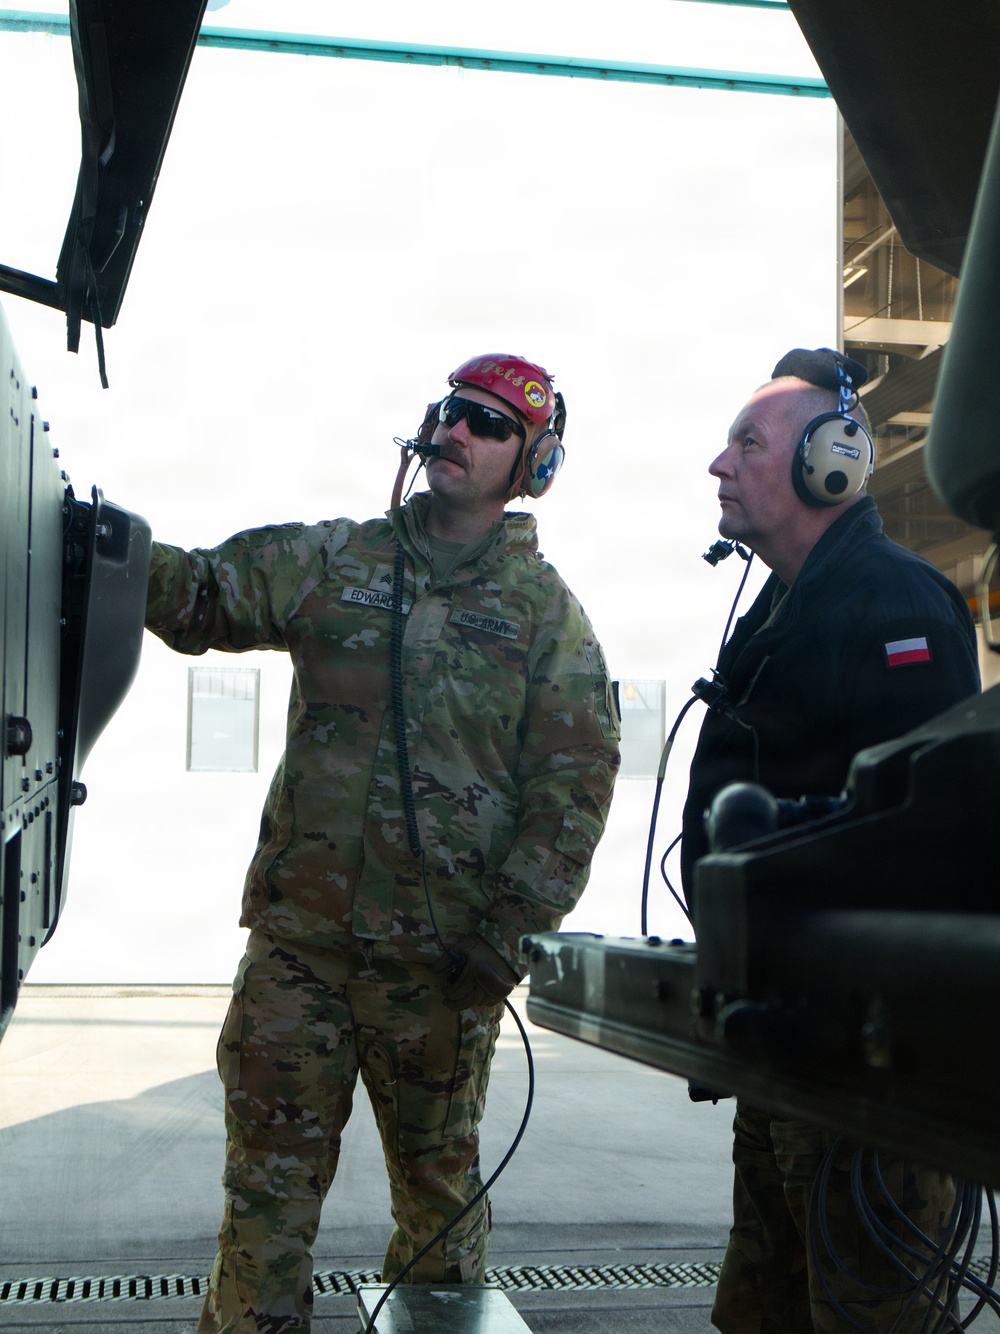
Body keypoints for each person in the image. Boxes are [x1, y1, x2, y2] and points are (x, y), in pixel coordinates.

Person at [143, 353, 621, 1332]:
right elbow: (196, 595)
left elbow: (573, 784)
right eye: (449, 411)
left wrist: (510, 932)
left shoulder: (545, 618)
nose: (456, 430)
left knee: (440, 1210)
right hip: (299, 956)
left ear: (533, 466)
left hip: (442, 972)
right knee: (264, 1203)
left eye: (489, 424)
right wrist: (86, 537)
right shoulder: (333, 561)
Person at [680, 347, 981, 1333]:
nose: (719, 465)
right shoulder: (784, 600)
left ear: (829, 464)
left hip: (864, 1072)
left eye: (746, 443)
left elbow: (922, 834)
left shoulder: (894, 605)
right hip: (784, 1046)